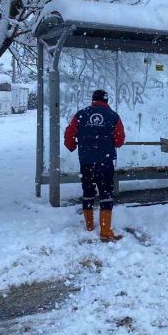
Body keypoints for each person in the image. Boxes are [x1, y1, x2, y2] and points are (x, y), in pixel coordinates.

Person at [64, 89, 125, 241]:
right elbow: (119, 140)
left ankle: (89, 226)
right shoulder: (113, 116)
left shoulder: (81, 114)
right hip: (105, 162)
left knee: (88, 191)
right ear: (106, 100)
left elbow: (69, 135)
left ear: (93, 100)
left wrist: (73, 145)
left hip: (86, 161)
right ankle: (105, 231)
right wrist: (109, 142)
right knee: (105, 194)